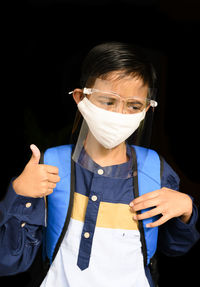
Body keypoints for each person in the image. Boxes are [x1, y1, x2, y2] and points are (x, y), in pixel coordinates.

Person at [0, 42, 199, 287]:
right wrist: (19, 194)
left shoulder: (154, 169)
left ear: (146, 109)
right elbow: (8, 261)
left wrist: (186, 210)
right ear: (80, 97)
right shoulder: (51, 167)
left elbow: (176, 248)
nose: (120, 113)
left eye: (134, 106)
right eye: (108, 101)